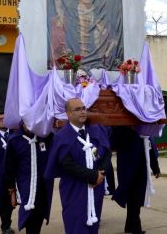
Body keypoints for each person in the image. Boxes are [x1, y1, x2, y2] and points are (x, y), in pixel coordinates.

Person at [44, 98, 113, 234]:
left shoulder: (96, 130)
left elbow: (106, 153)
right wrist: (92, 176)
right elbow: (66, 164)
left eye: (83, 108)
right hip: (74, 187)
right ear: (68, 114)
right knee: (76, 224)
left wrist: (101, 173)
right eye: (77, 109)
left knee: (93, 225)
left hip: (96, 186)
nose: (82, 112)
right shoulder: (62, 136)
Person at [4, 122, 54, 234]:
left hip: (42, 187)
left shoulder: (46, 137)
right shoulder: (14, 140)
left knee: (39, 215)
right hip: (25, 186)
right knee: (28, 216)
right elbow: (9, 168)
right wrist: (12, 191)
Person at [111, 126, 161, 234]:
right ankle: (135, 229)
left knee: (136, 197)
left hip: (142, 167)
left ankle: (130, 226)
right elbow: (115, 143)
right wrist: (131, 129)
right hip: (127, 167)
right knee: (132, 197)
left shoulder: (144, 126)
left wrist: (155, 167)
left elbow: (150, 145)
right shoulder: (121, 126)